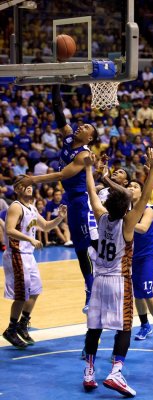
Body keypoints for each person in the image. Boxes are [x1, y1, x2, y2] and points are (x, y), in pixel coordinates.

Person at [82, 148, 153, 397]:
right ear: (127, 206)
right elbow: (145, 197)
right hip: (118, 280)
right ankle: (115, 372)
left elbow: (92, 193)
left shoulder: (101, 215)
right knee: (125, 327)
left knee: (94, 328)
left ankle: (89, 372)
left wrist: (88, 169)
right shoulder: (127, 223)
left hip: (99, 280)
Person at [15, 85, 98, 310]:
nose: (81, 125)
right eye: (82, 124)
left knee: (86, 247)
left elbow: (62, 174)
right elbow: (58, 111)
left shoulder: (84, 154)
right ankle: (95, 282)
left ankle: (94, 287)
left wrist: (33, 179)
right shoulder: (70, 138)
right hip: (71, 199)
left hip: (82, 200)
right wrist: (56, 85)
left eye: (86, 127)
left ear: (90, 137)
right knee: (82, 247)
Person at [2, 178, 68, 349]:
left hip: (28, 254)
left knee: (35, 290)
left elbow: (45, 226)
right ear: (17, 189)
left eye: (30, 185)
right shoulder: (16, 206)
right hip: (16, 254)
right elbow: (9, 230)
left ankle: (23, 324)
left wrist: (59, 218)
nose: (29, 187)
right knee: (21, 294)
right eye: (24, 185)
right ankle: (11, 328)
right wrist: (30, 239)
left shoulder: (31, 207)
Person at [128, 179, 153, 346]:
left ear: (142, 192)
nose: (131, 188)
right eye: (129, 186)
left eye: (135, 186)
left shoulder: (148, 208)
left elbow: (143, 228)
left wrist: (124, 219)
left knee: (147, 291)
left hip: (147, 256)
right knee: (137, 293)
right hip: (131, 257)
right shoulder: (126, 210)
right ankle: (145, 325)